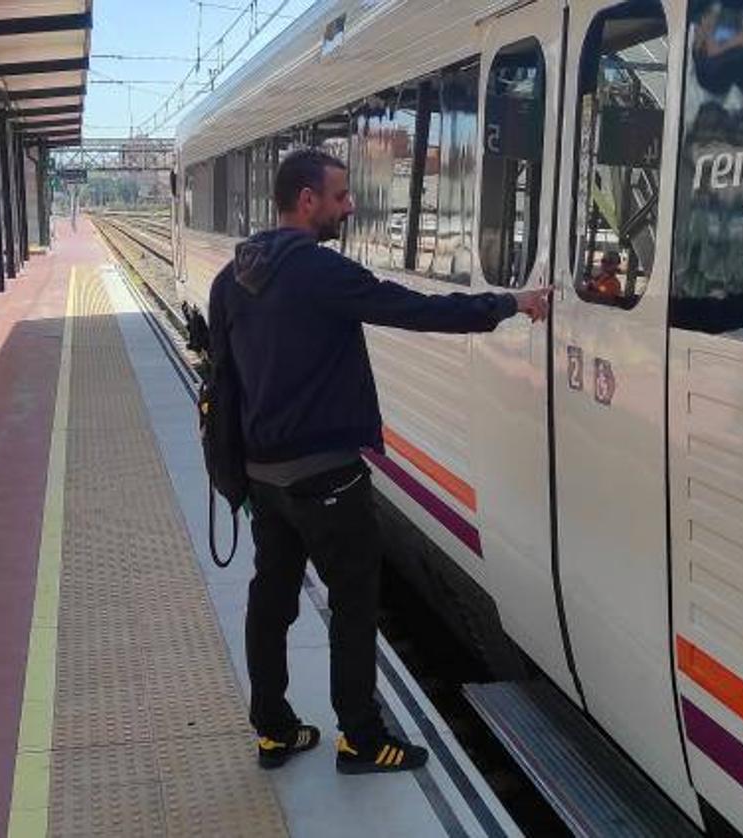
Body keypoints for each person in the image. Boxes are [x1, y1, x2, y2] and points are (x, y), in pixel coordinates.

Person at [208, 148, 550, 775]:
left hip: (263, 474)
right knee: (354, 603)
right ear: (307, 201)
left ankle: (273, 730)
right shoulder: (317, 270)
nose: (349, 206)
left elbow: (223, 373)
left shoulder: (233, 276)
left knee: (272, 599)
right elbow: (414, 309)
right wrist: (510, 303)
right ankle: (362, 740)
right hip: (326, 475)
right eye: (340, 197)